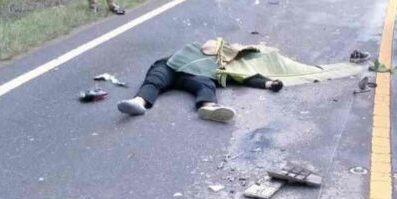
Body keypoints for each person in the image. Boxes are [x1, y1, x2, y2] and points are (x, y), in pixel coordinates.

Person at [117, 57, 283, 123]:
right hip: (170, 66)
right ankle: (138, 102)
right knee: (155, 79)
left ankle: (208, 107)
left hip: (196, 75)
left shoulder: (225, 66)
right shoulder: (190, 51)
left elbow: (245, 76)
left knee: (205, 85)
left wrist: (268, 83)